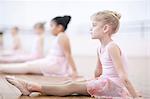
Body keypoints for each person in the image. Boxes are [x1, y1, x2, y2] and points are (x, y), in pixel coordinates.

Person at [5, 11, 142, 98]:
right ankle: (32, 86)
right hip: (106, 82)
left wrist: (134, 96)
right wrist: (90, 81)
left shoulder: (112, 47)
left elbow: (123, 76)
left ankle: (31, 86)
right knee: (71, 82)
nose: (90, 28)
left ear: (105, 28)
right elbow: (98, 71)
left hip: (113, 86)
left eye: (94, 25)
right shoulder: (100, 47)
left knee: (72, 87)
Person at [0, 15, 78, 78]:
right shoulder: (60, 36)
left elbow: (68, 55)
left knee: (28, 66)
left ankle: (2, 68)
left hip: (55, 64)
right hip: (52, 62)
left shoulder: (62, 36)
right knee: (28, 65)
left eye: (51, 26)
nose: (50, 29)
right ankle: (2, 67)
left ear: (59, 27)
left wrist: (74, 71)